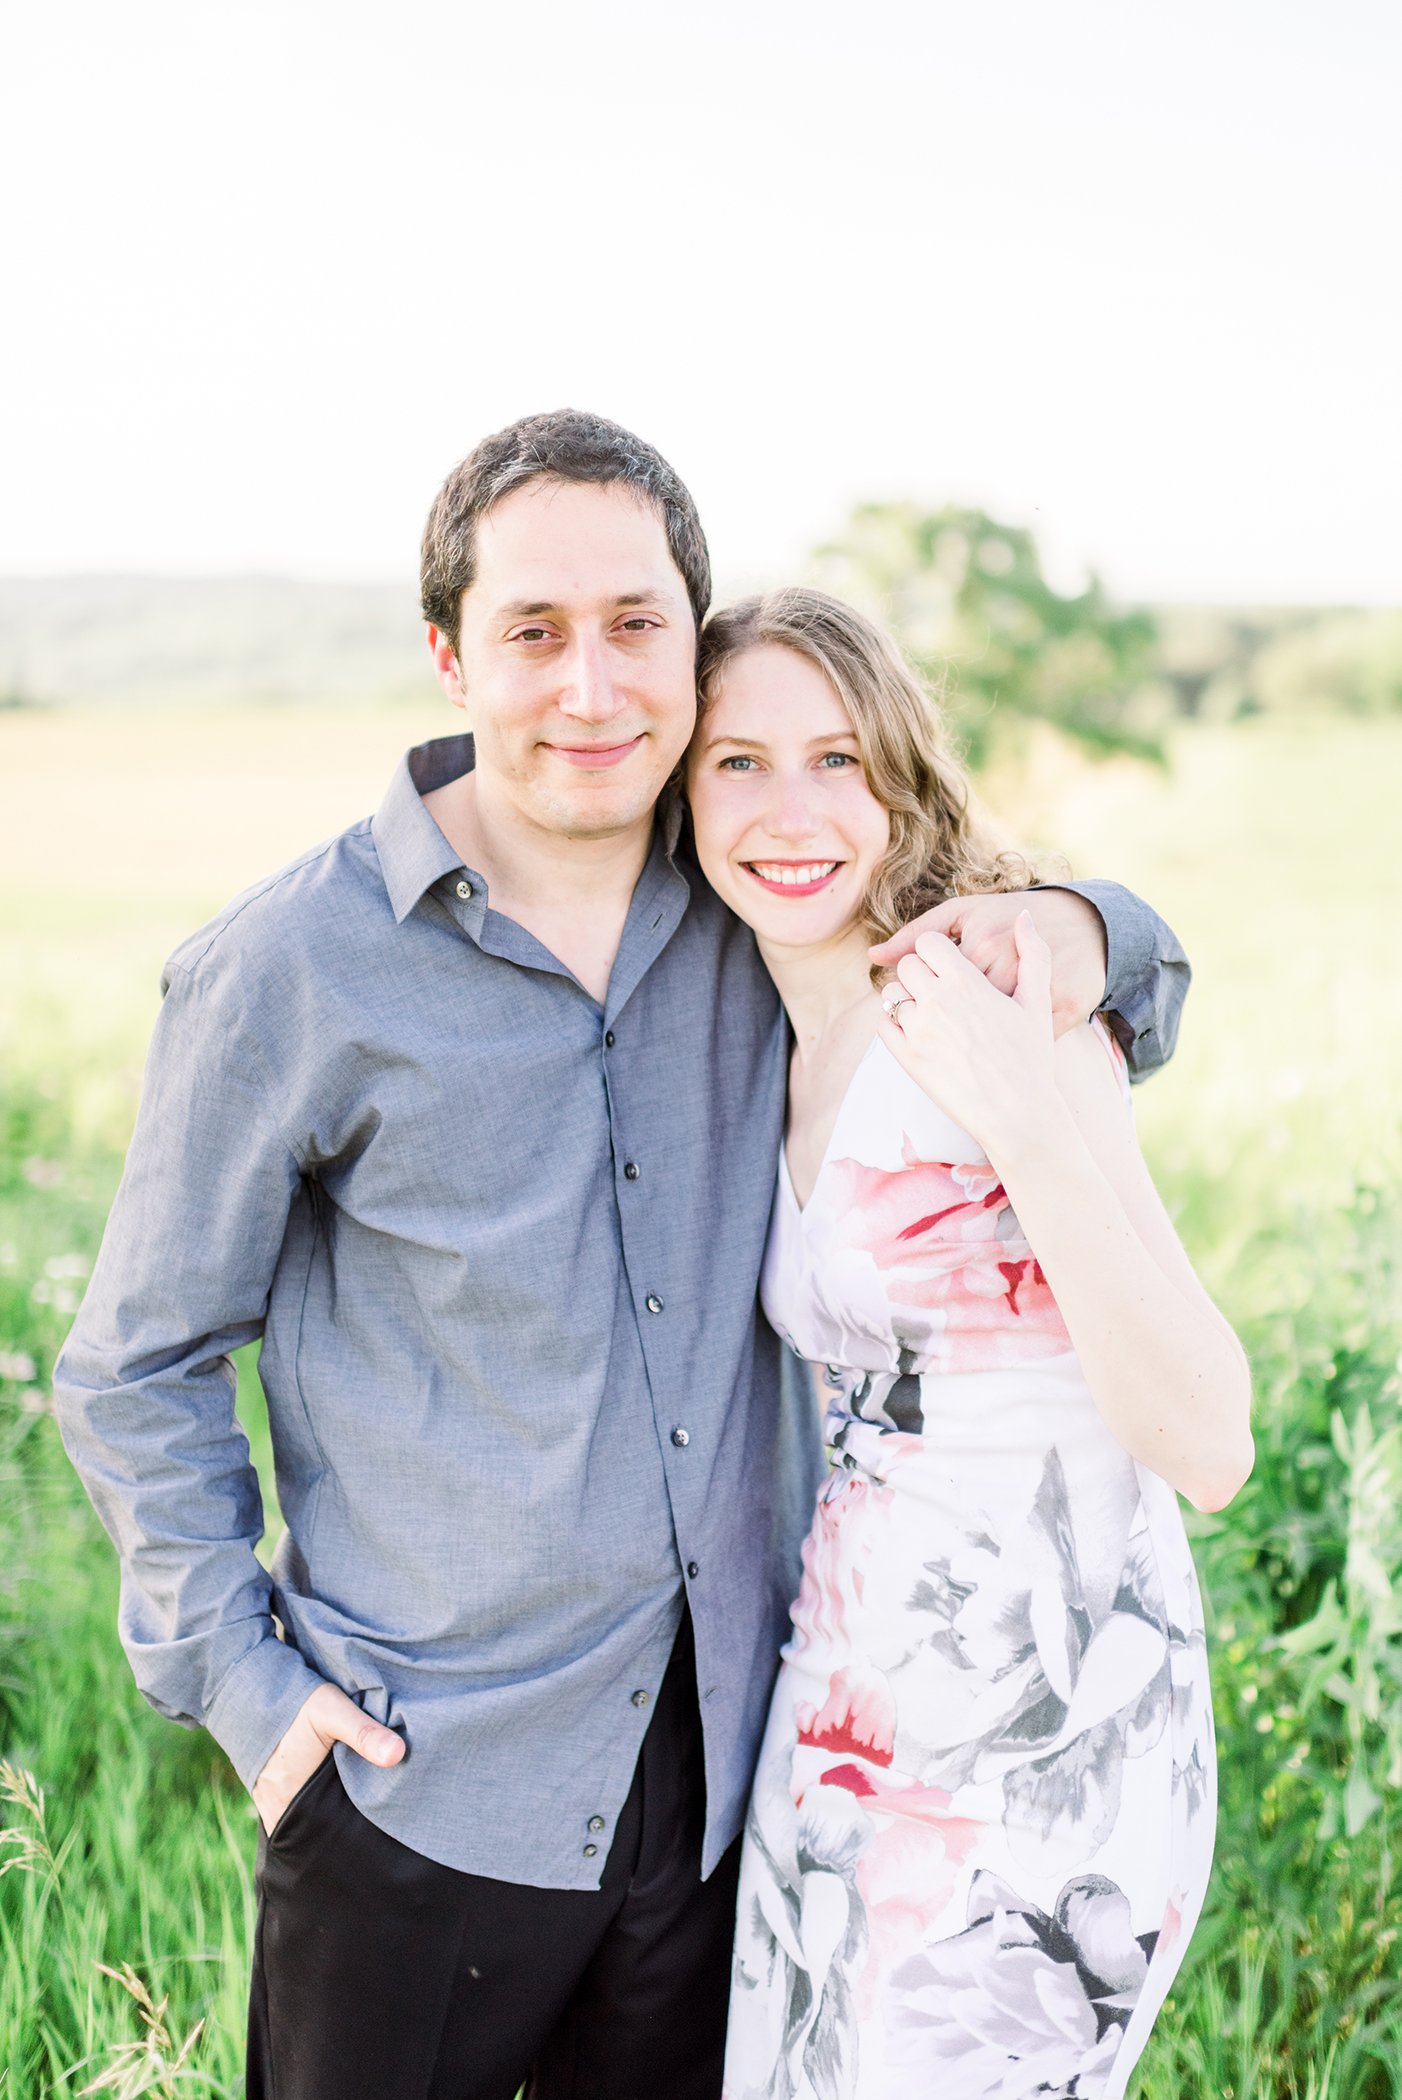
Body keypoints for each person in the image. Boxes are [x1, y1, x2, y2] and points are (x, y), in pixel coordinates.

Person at [53, 412, 1192, 2100]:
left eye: (635, 626)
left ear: (688, 639)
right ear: (448, 654)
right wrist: (244, 1685)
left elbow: (1112, 987)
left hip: (733, 1782)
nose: (590, 687)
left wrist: (1091, 923)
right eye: (532, 632)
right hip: (421, 1786)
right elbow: (134, 1363)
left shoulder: (755, 893)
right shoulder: (291, 968)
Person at [683, 588, 1252, 2100]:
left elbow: (1208, 1439)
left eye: (836, 760)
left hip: (1045, 1748)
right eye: (736, 762)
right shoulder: (764, 1033)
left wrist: (1018, 1104)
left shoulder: (1002, 1002)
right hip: (849, 1721)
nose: (788, 810)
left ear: (900, 779)